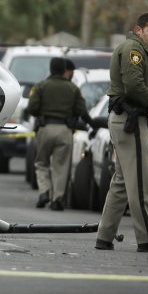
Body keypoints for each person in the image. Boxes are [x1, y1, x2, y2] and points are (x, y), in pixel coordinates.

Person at [95, 12, 148, 253]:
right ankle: (147, 239)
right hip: (130, 120)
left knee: (121, 181)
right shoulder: (133, 50)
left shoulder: (138, 50)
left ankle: (104, 236)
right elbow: (134, 85)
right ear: (139, 30)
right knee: (140, 183)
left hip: (126, 119)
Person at [27, 57, 94, 210]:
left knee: (41, 162)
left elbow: (32, 108)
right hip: (65, 130)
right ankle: (57, 200)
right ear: (64, 70)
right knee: (61, 166)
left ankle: (44, 191)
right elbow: (81, 111)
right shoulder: (73, 89)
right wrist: (91, 123)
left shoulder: (40, 86)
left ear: (50, 69)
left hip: (45, 128)